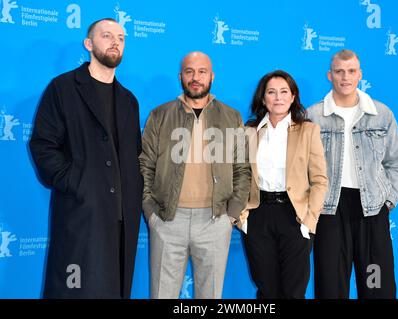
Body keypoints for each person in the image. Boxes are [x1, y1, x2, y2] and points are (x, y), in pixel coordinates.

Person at [29, 18, 143, 298]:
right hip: (81, 218)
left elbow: (133, 156)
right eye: (107, 35)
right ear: (89, 44)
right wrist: (77, 183)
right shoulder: (63, 88)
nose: (115, 42)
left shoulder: (129, 100)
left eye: (121, 37)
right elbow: (43, 146)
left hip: (121, 222)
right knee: (74, 290)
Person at [139, 51, 251, 299]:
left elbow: (242, 169)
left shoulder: (231, 116)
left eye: (202, 72)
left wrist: (230, 216)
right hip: (168, 220)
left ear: (212, 76)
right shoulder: (160, 115)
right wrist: (151, 213)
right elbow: (145, 166)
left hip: (214, 220)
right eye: (189, 71)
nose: (195, 77)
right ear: (180, 76)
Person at [308, 49, 398, 299]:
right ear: (329, 75)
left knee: (377, 287)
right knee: (331, 288)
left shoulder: (381, 113)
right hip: (330, 213)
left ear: (360, 75)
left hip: (372, 213)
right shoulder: (313, 116)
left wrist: (388, 200)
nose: (345, 77)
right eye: (339, 72)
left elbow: (396, 162)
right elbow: (301, 167)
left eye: (351, 71)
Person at [238, 70, 328, 298]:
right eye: (271, 92)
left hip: (295, 216)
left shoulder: (308, 130)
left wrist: (309, 221)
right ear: (263, 98)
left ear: (293, 96)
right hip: (258, 216)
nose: (278, 97)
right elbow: (237, 176)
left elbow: (319, 180)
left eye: (283, 92)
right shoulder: (248, 132)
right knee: (267, 290)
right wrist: (241, 217)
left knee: (293, 291)